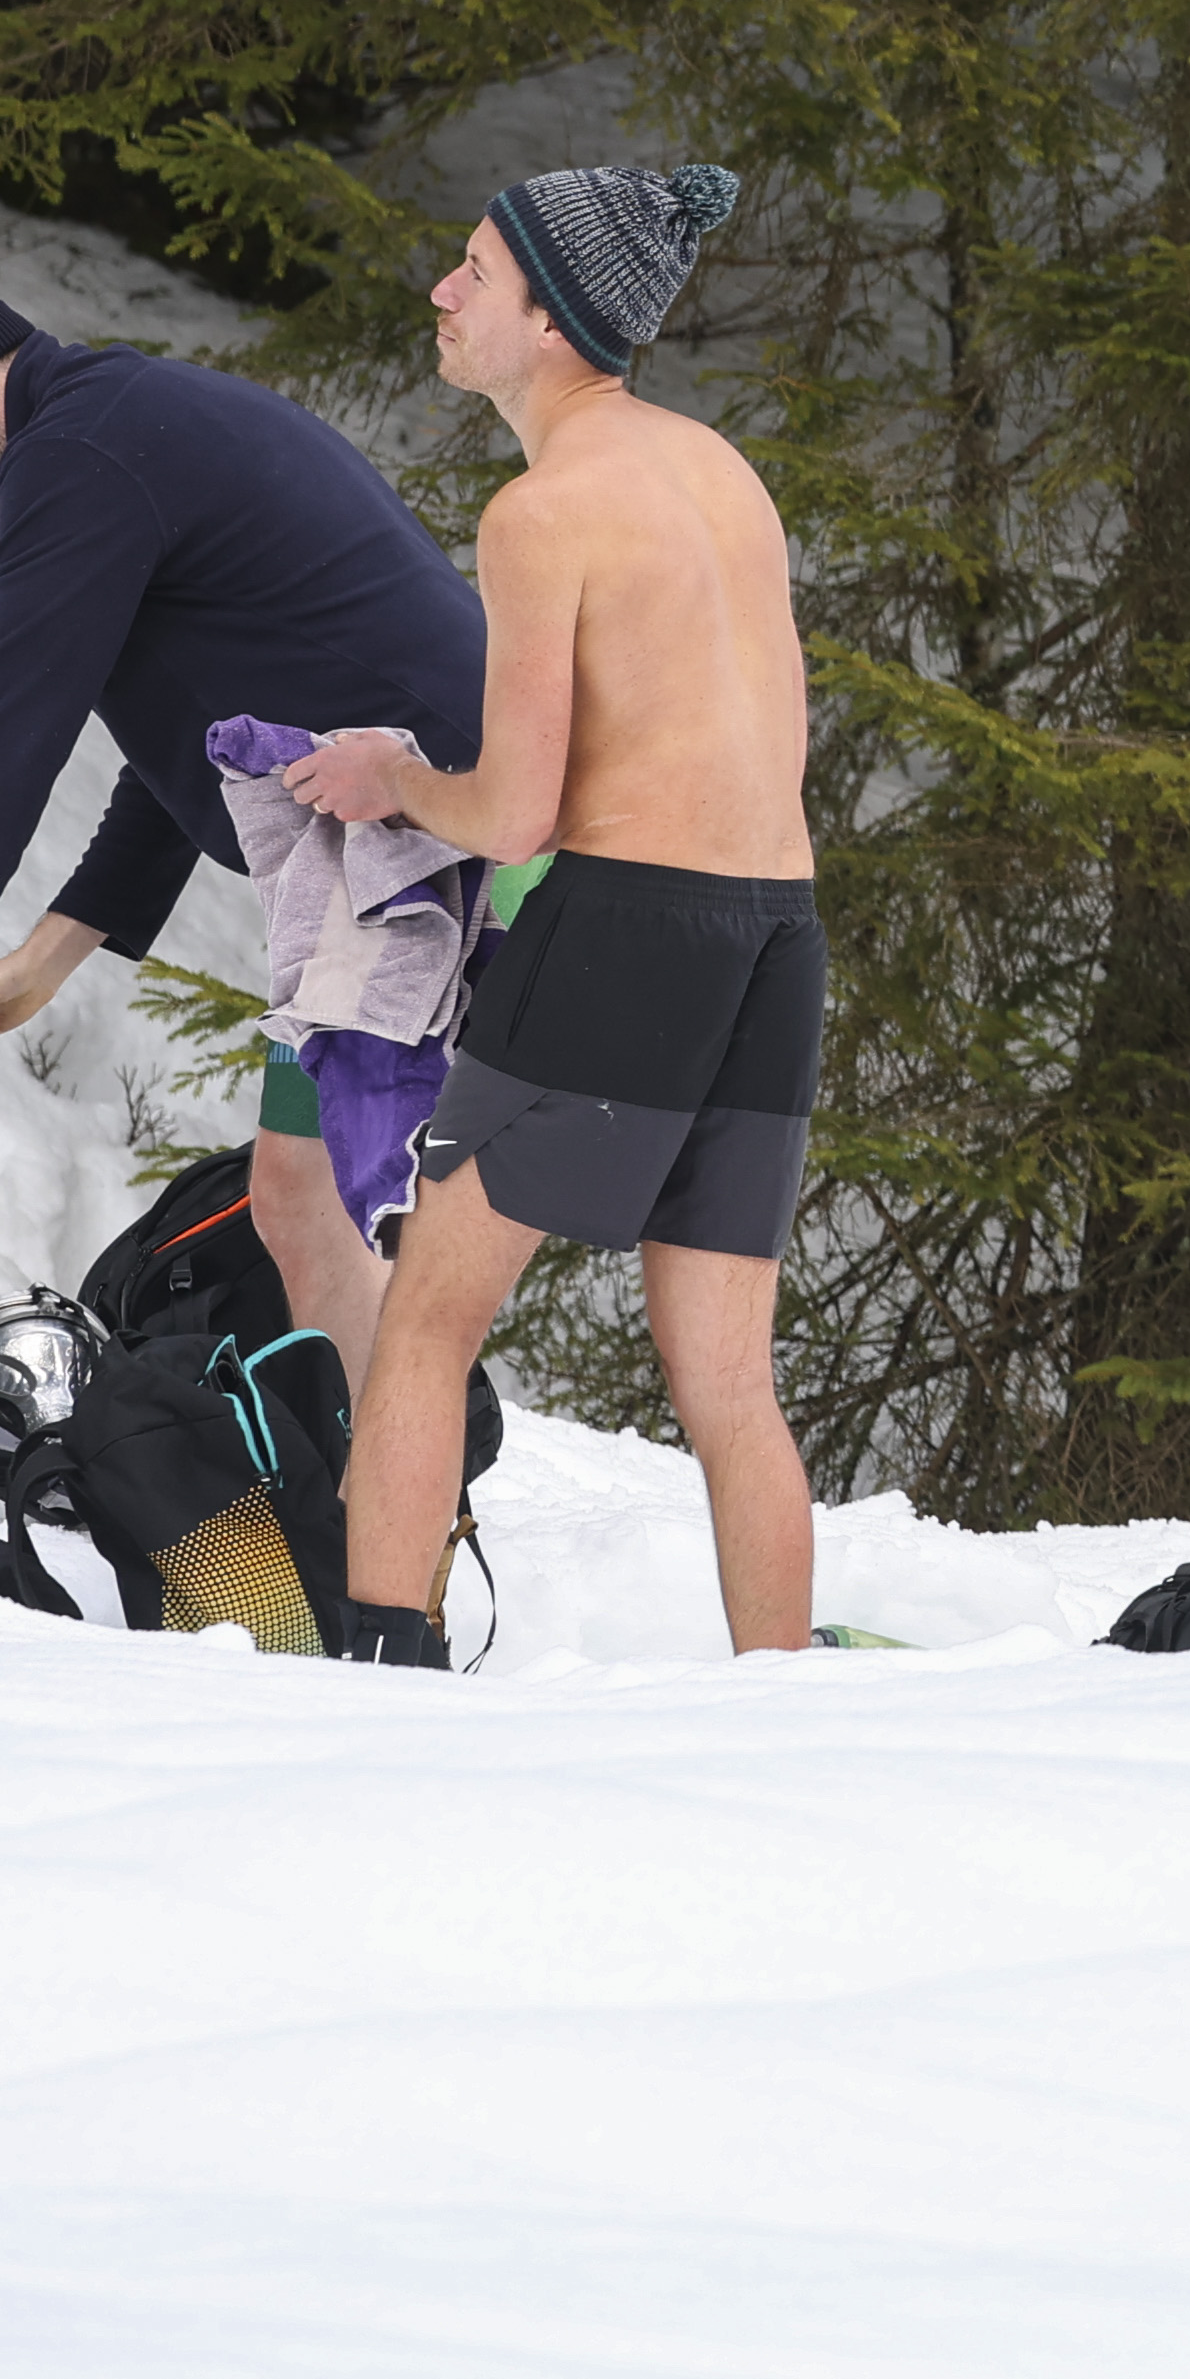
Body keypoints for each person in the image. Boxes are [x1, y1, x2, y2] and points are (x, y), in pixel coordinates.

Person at [312, 164, 817, 1667]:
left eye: (475, 271)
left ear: (552, 320)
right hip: (778, 932)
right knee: (730, 1384)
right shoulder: (717, 468)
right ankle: (792, 1706)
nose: (443, 291)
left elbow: (518, 814)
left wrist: (394, 781)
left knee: (425, 1319)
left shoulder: (542, 513)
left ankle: (383, 1672)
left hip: (629, 931)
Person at [0, 295, 489, 1388]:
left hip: (426, 849)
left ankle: (390, 1487)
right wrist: (45, 959)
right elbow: (198, 728)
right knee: (315, 1201)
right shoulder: (117, 422)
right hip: (415, 845)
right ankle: (385, 1479)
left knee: (325, 1208)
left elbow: (10, 726)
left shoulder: (77, 455)